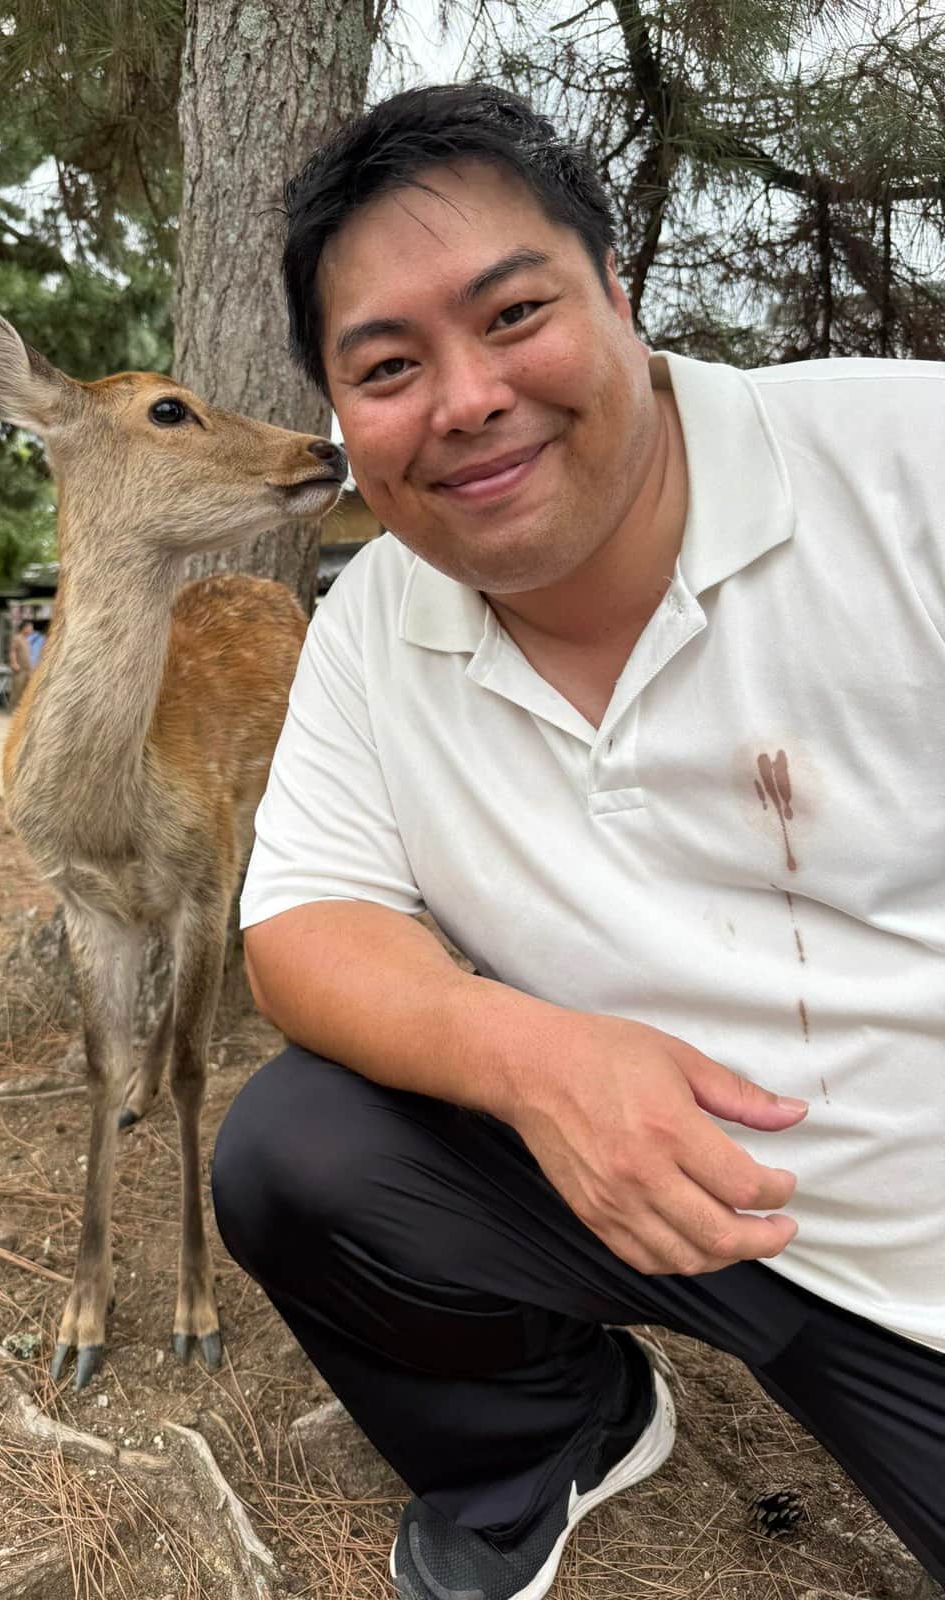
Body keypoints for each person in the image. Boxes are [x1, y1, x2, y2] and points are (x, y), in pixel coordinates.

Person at [209, 85, 945, 1598]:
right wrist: (533, 1059)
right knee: (299, 1154)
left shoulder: (902, 464)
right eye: (388, 367)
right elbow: (302, 924)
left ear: (619, 289)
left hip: (917, 1262)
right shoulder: (374, 620)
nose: (466, 398)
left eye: (514, 314)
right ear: (342, 413)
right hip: (642, 1203)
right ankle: (555, 1435)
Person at [9, 618, 34, 709]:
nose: (31, 630)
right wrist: (14, 663)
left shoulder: (27, 640)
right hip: (20, 669)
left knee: (26, 690)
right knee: (17, 689)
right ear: (24, 628)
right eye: (30, 628)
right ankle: (13, 709)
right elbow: (13, 651)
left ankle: (22, 709)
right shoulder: (17, 638)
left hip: (28, 669)